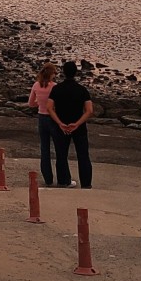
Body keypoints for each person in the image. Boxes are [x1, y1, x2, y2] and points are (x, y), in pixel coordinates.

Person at [46, 60, 93, 188]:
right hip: (78, 126)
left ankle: (63, 181)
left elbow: (49, 107)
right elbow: (89, 110)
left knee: (61, 155)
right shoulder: (82, 90)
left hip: (61, 125)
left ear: (63, 72)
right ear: (75, 73)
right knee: (83, 155)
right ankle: (86, 183)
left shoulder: (57, 89)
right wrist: (77, 124)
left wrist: (60, 123)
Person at [28, 62, 59, 186]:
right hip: (53, 118)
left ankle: (48, 178)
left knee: (44, 149)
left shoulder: (36, 85)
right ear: (51, 74)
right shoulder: (55, 87)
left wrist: (40, 103)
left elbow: (31, 103)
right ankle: (62, 176)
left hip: (41, 117)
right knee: (59, 148)